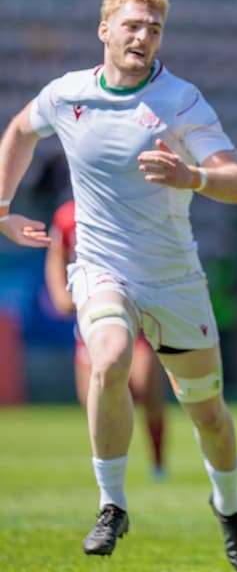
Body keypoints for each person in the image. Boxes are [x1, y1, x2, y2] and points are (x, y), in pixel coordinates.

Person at [0, 0, 237, 570]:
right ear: (105, 30)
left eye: (154, 28)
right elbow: (18, 129)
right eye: (133, 25)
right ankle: (112, 504)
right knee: (110, 360)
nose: (143, 36)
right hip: (102, 268)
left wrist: (193, 178)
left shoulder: (181, 101)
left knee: (208, 414)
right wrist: (4, 210)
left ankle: (229, 508)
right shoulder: (67, 95)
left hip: (173, 280)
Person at [45, 198, 169, 480]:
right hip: (95, 311)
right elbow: (56, 255)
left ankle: (158, 462)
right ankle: (109, 472)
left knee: (146, 385)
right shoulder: (66, 215)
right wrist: (61, 296)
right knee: (93, 399)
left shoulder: (127, 203)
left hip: (133, 310)